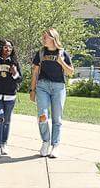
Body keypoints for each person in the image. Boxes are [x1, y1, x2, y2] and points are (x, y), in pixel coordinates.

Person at [29, 28, 74, 158]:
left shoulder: (63, 53)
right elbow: (35, 72)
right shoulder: (41, 53)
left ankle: (55, 146)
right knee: (42, 116)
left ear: (53, 38)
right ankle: (45, 142)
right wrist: (32, 90)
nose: (43, 39)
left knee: (57, 118)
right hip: (42, 86)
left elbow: (70, 72)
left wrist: (61, 62)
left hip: (59, 88)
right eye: (43, 37)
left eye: (45, 37)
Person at [0, 39, 22, 160]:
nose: (8, 49)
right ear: (1, 48)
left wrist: (15, 73)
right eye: (6, 47)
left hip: (10, 96)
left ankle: (4, 143)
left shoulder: (14, 62)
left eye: (10, 48)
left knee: (6, 121)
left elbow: (20, 79)